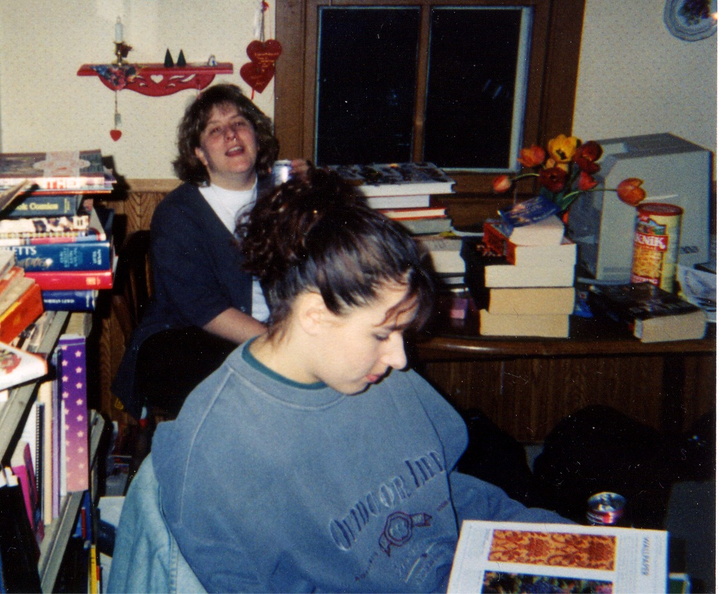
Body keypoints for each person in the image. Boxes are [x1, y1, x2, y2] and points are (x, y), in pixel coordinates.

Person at [108, 169, 571, 593]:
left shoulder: (376, 376)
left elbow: (451, 494)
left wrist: (560, 544)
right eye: (382, 333)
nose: (400, 359)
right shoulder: (216, 452)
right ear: (314, 314)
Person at [112, 83, 304, 420]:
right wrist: (282, 345)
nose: (231, 135)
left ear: (256, 138)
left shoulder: (283, 196)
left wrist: (315, 198)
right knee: (247, 388)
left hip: (273, 329)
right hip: (189, 337)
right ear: (200, 153)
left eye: (239, 123)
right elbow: (203, 309)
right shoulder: (178, 213)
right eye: (215, 130)